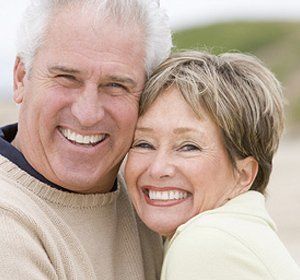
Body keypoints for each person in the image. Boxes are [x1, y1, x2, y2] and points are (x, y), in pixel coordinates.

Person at [0, 0, 172, 279]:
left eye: (116, 85)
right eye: (67, 77)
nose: (87, 114)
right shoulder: (7, 225)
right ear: (21, 78)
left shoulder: (155, 201)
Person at [125, 51, 300, 279]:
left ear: (244, 174)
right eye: (144, 143)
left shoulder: (205, 242)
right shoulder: (240, 234)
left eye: (188, 147)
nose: (158, 169)